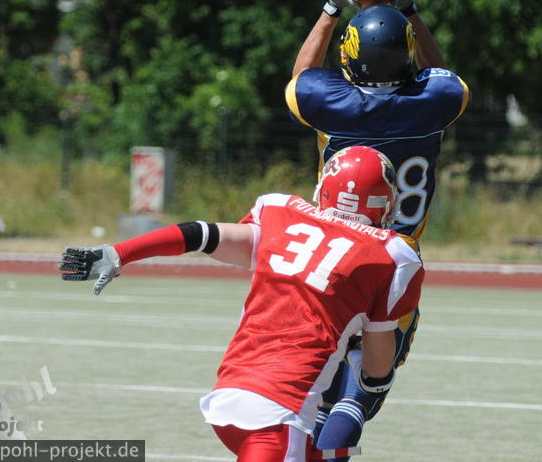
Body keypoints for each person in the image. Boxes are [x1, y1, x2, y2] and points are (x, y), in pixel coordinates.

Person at [58, 146, 424, 462]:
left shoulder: (280, 212)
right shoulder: (391, 255)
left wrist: (120, 253)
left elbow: (198, 234)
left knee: (328, 454)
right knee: (352, 406)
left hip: (231, 395)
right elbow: (375, 368)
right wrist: (366, 388)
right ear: (386, 201)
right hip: (280, 414)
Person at [285, 0, 470, 459]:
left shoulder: (329, 101)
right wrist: (409, 11)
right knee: (365, 389)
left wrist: (331, 8)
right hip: (395, 257)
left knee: (321, 388)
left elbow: (303, 75)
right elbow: (440, 72)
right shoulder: (435, 98)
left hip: (332, 255)